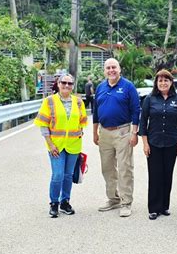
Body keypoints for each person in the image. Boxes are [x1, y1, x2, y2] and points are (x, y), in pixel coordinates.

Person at [34, 73, 88, 218]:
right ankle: (54, 203)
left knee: (68, 175)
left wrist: (79, 133)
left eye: (70, 83)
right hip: (56, 146)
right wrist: (50, 144)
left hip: (73, 145)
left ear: (73, 86)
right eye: (63, 82)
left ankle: (65, 202)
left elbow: (82, 122)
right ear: (58, 84)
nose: (66, 86)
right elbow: (43, 125)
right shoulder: (49, 101)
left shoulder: (78, 102)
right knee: (57, 175)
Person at [93, 58, 141, 217]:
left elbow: (136, 111)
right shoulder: (100, 87)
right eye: (108, 68)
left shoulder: (128, 87)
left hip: (123, 132)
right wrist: (95, 132)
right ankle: (113, 199)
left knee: (124, 168)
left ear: (119, 69)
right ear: (104, 71)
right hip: (104, 132)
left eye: (114, 67)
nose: (111, 70)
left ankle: (126, 202)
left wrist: (134, 133)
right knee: (107, 168)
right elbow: (95, 112)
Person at [139, 70, 177, 220]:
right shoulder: (150, 99)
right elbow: (143, 122)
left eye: (166, 80)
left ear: (171, 83)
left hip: (171, 143)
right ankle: (154, 208)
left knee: (167, 175)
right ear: (156, 83)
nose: (163, 83)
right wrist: (145, 143)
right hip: (154, 143)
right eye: (160, 81)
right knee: (155, 175)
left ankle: (164, 206)